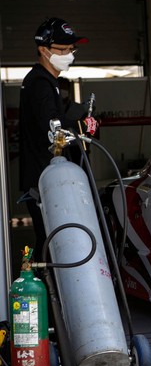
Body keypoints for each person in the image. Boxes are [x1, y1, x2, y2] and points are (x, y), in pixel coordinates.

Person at [19, 17, 92, 259]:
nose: (69, 55)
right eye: (63, 49)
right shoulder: (40, 83)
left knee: (56, 238)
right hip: (44, 178)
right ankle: (44, 283)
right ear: (43, 50)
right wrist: (82, 125)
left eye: (72, 49)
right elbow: (54, 129)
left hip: (51, 174)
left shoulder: (49, 81)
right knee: (51, 240)